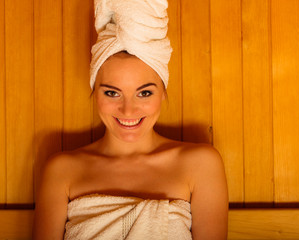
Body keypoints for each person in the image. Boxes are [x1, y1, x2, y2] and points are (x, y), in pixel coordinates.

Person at [33, 0, 228, 239]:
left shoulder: (200, 165)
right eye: (112, 92)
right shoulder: (61, 170)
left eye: (144, 92)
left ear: (163, 92)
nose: (127, 110)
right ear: (95, 92)